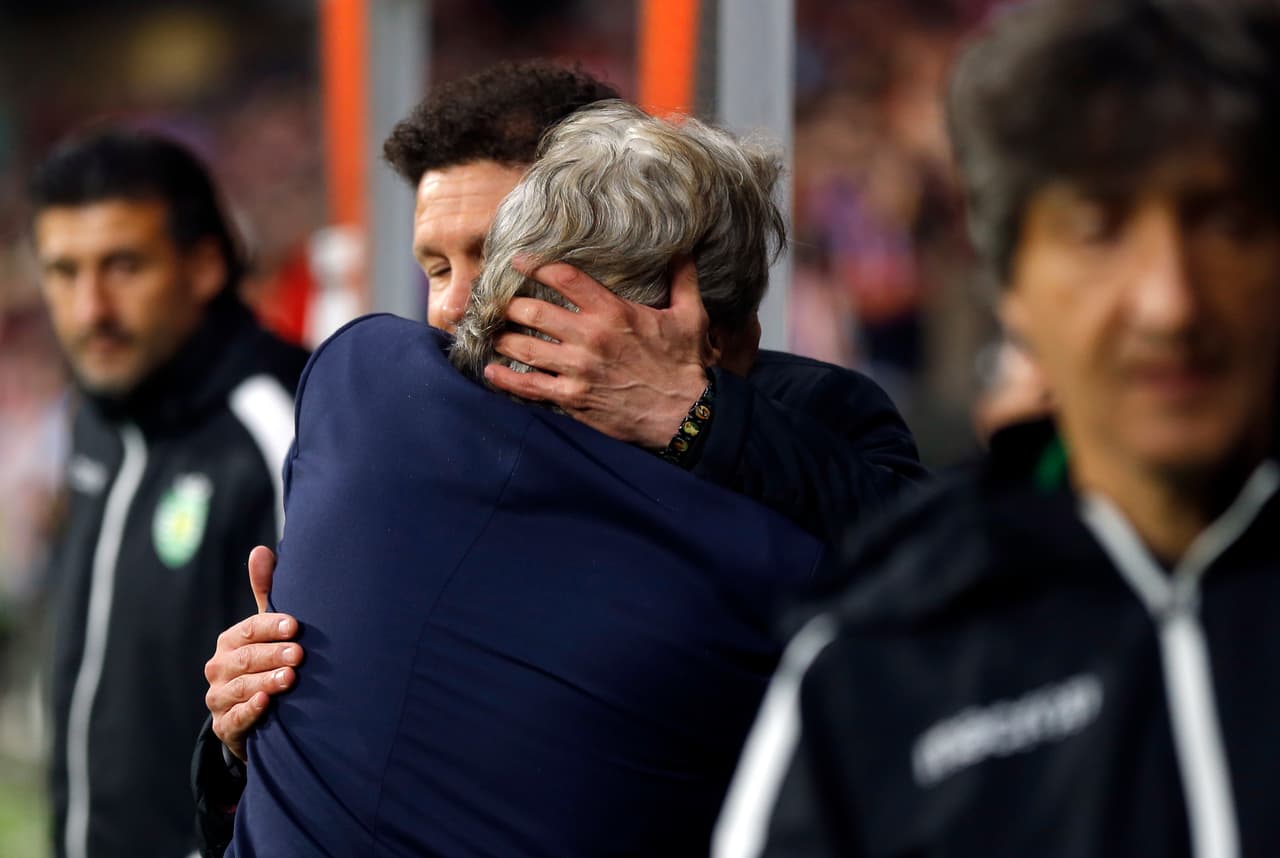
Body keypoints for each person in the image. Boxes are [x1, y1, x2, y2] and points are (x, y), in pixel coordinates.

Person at [195, 60, 925, 855]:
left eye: (497, 256)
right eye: (436, 268)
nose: (455, 306)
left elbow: (927, 588)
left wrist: (697, 418)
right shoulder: (396, 421)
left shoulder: (810, 425)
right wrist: (251, 734)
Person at [713, 0, 1280, 855]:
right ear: (1011, 284)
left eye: (1225, 223)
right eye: (1099, 230)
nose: (1171, 302)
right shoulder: (875, 663)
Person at [32, 129, 309, 858]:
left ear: (206, 264)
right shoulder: (96, 414)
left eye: (123, 266)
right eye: (63, 271)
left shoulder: (282, 429)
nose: (90, 308)